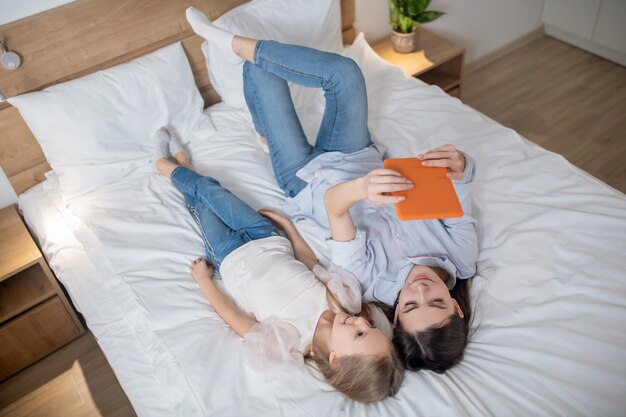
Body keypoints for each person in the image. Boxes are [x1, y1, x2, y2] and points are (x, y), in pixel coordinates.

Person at [185, 7, 478, 372]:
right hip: (358, 153)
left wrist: (362, 189)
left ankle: (262, 113)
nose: (419, 290)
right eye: (435, 301)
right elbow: (461, 187)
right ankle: (231, 42)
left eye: (409, 306)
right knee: (345, 73)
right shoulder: (461, 256)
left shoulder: (366, 287)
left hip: (304, 179)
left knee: (259, 71)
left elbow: (334, 206)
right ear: (457, 307)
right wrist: (460, 165)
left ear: (396, 317)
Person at [151, 128, 404, 403]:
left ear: (335, 360)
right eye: (370, 327)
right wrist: (288, 228)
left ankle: (179, 165)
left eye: (358, 334)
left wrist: (203, 282)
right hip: (266, 236)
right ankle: (167, 165)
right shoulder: (342, 300)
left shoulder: (290, 345)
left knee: (201, 206)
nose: (360, 322)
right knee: (211, 191)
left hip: (230, 257)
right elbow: (309, 262)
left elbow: (238, 320)